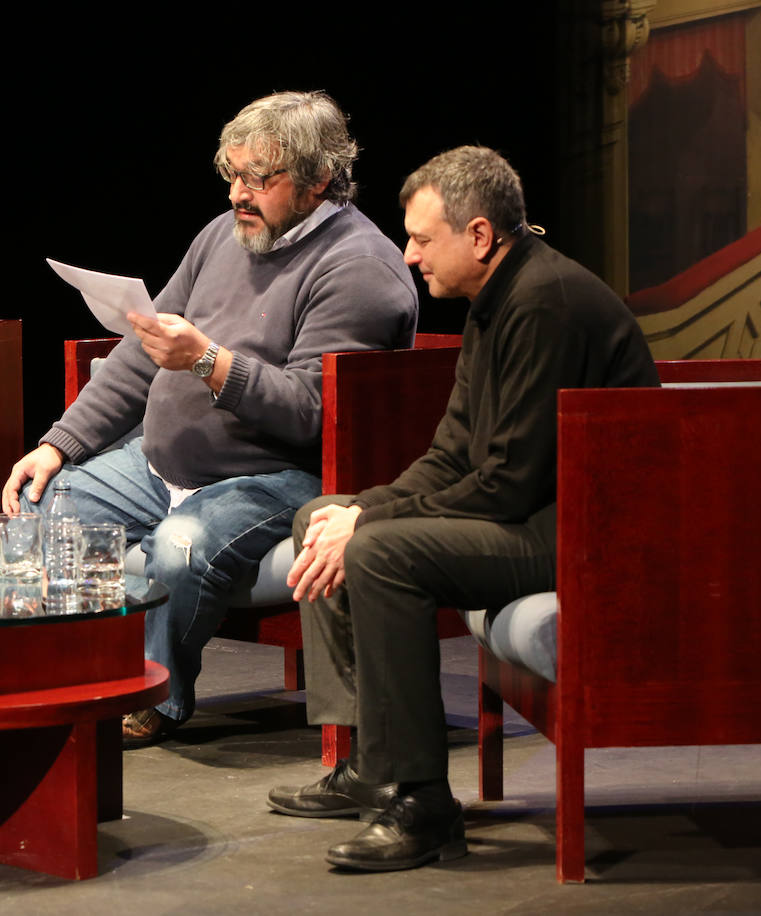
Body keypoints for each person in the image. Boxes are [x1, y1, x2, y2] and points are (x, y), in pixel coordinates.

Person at [268, 146, 659, 871]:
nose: (409, 255)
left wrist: (373, 525)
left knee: (378, 552)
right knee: (321, 518)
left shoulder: (547, 304)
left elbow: (509, 480)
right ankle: (367, 763)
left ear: (479, 235)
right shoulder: (495, 300)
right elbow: (452, 456)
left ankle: (421, 803)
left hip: (585, 534)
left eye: (421, 239)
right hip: (533, 514)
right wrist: (361, 508)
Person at [0, 91, 419, 747]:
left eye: (260, 179)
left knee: (180, 548)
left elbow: (316, 414)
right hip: (161, 462)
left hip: (280, 478)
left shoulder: (358, 269)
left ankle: (153, 698)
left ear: (318, 181)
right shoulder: (223, 238)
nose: (237, 196)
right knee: (42, 503)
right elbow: (141, 353)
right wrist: (61, 443)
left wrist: (210, 363)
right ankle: (15, 679)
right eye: (233, 175)